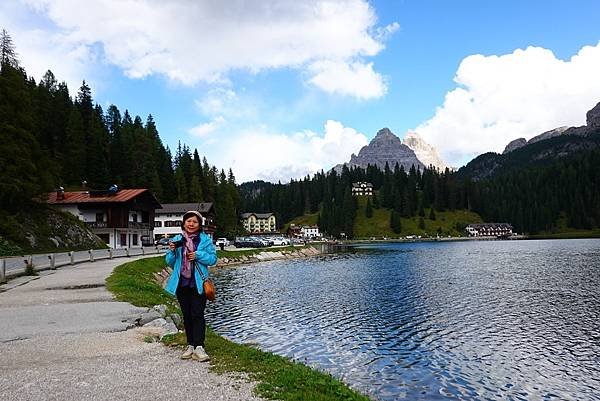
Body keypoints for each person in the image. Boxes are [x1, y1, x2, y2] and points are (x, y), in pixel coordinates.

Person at [164, 210, 217, 361]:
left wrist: (198, 255)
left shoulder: (205, 241)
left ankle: (199, 347)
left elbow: (213, 259)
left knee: (197, 314)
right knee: (187, 315)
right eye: (188, 221)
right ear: (184, 223)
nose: (191, 224)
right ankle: (190, 345)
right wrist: (172, 251)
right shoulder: (177, 239)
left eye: (195, 221)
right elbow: (169, 262)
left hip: (198, 283)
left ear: (199, 225)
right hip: (182, 284)